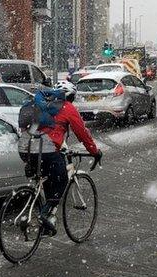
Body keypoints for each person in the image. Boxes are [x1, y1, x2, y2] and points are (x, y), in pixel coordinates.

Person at [18, 81, 101, 236]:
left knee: (49, 179)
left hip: (27, 149)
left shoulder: (40, 104)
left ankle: (43, 219)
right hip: (47, 150)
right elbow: (82, 133)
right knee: (61, 179)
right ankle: (44, 215)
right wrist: (94, 151)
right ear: (71, 96)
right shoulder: (67, 107)